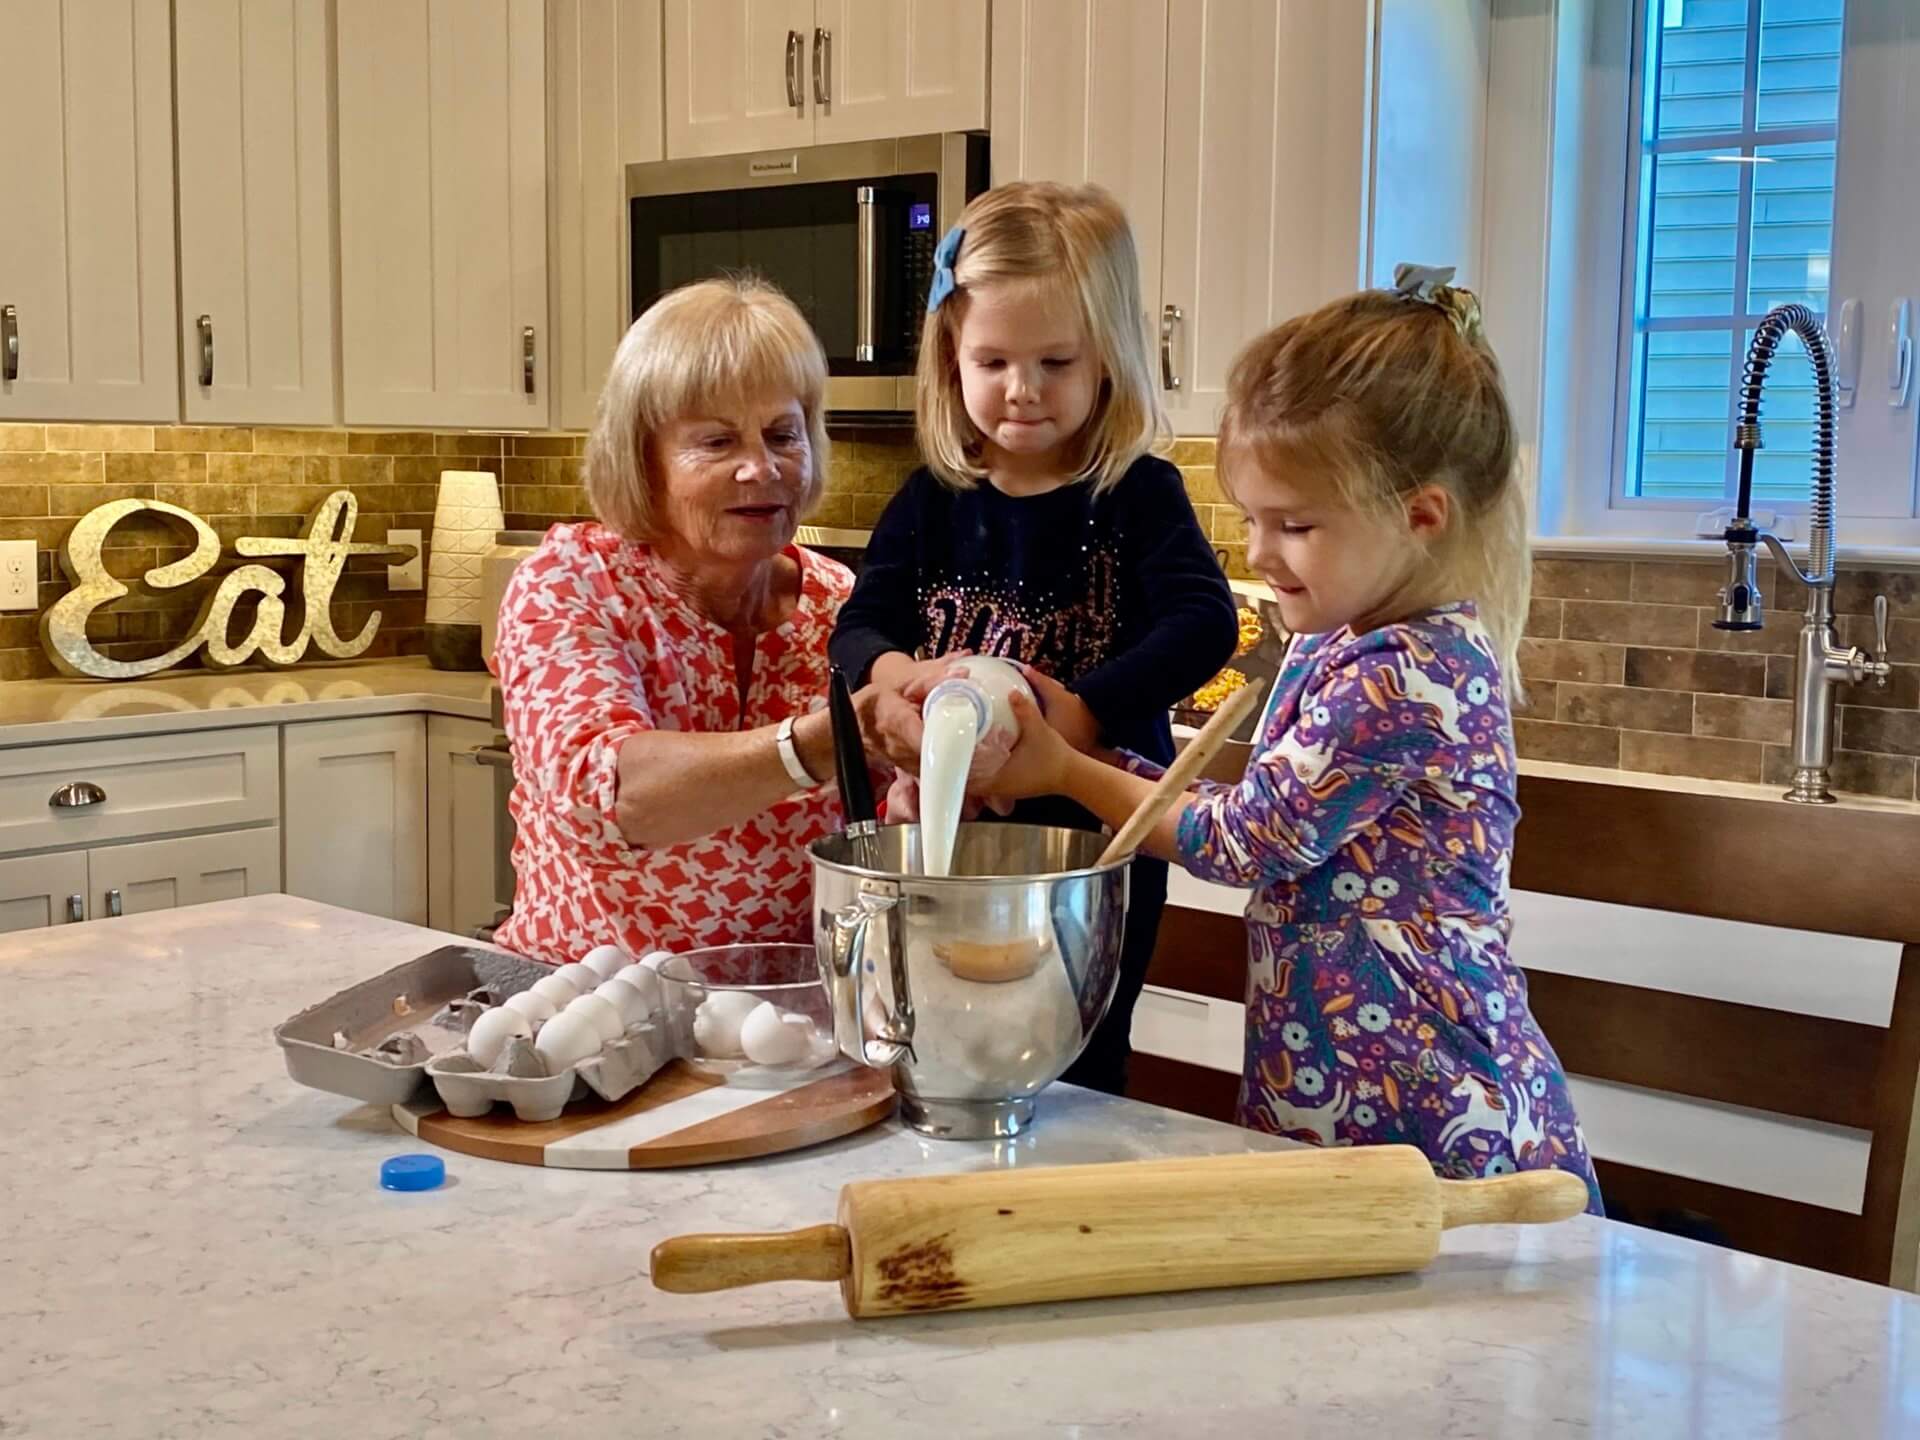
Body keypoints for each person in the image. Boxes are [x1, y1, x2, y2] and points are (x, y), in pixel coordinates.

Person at [984, 266, 1602, 1210]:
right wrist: (1090, 760)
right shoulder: (1343, 640)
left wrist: (1069, 766)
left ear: (1420, 515)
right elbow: (1242, 808)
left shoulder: (1408, 670)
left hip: (1437, 1112)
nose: (1262, 554)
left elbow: (1242, 841)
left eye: (1295, 525)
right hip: (1335, 1076)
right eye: (1252, 521)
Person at [830, 181, 1239, 1096]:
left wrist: (1086, 712)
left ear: (1109, 359)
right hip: (948, 847)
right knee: (940, 1049)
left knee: (1074, 1060)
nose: (1023, 390)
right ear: (951, 359)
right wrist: (902, 675)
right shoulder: (932, 501)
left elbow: (1206, 621)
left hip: (1091, 850)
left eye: (1056, 360)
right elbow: (858, 623)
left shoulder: (1137, 496)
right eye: (993, 361)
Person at [493, 277, 866, 963]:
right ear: (644, 461)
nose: (760, 468)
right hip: (591, 1018)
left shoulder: (840, 605)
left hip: (790, 1024)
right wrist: (818, 745)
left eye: (783, 434)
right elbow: (608, 797)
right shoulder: (570, 584)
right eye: (717, 443)